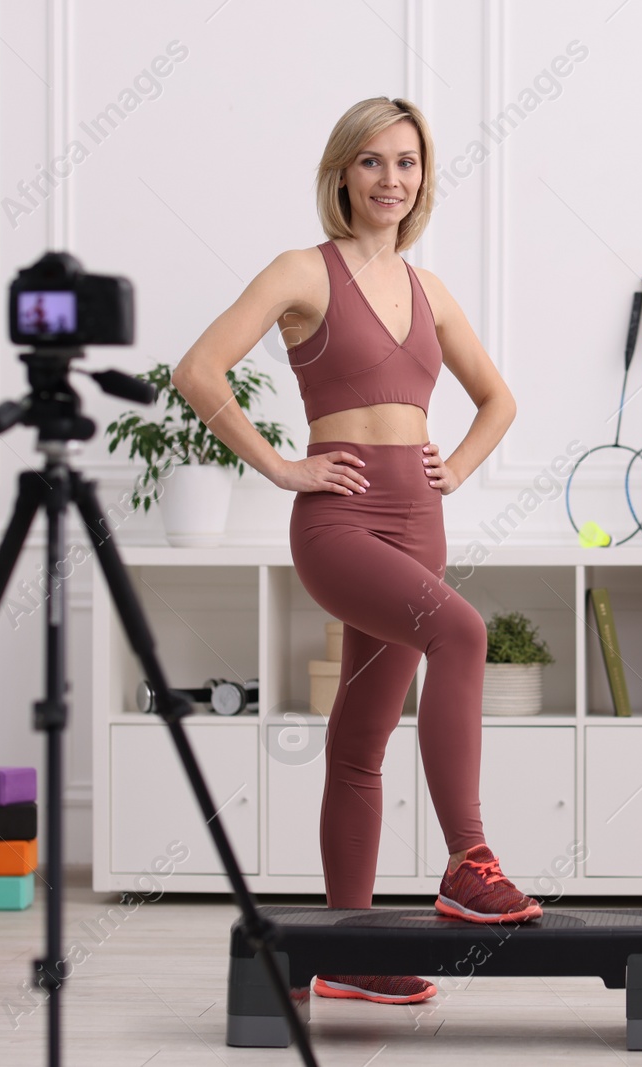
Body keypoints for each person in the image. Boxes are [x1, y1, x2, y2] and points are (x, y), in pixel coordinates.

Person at [173, 97, 541, 1006]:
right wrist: (279, 467)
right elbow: (197, 369)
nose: (391, 180)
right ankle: (469, 861)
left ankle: (346, 948)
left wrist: (452, 466)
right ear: (343, 173)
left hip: (420, 518)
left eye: (408, 162)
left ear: (424, 176)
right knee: (461, 633)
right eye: (372, 162)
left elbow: (499, 399)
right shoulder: (303, 271)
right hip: (339, 522)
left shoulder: (430, 289)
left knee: (361, 736)